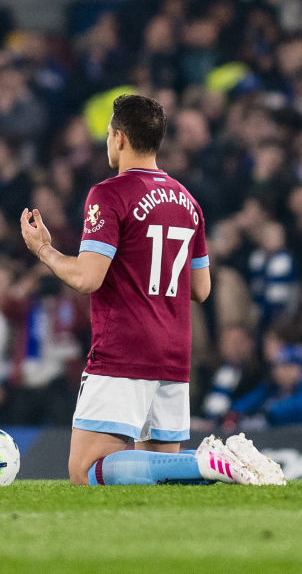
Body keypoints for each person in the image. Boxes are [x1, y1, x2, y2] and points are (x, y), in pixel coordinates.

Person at [20, 94, 284, 486]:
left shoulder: (109, 194)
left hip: (123, 350)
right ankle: (215, 462)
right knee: (155, 481)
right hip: (173, 353)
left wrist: (44, 249)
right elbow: (202, 288)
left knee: (85, 470)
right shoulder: (187, 201)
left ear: (121, 138)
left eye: (109, 132)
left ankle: (206, 460)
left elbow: (87, 278)